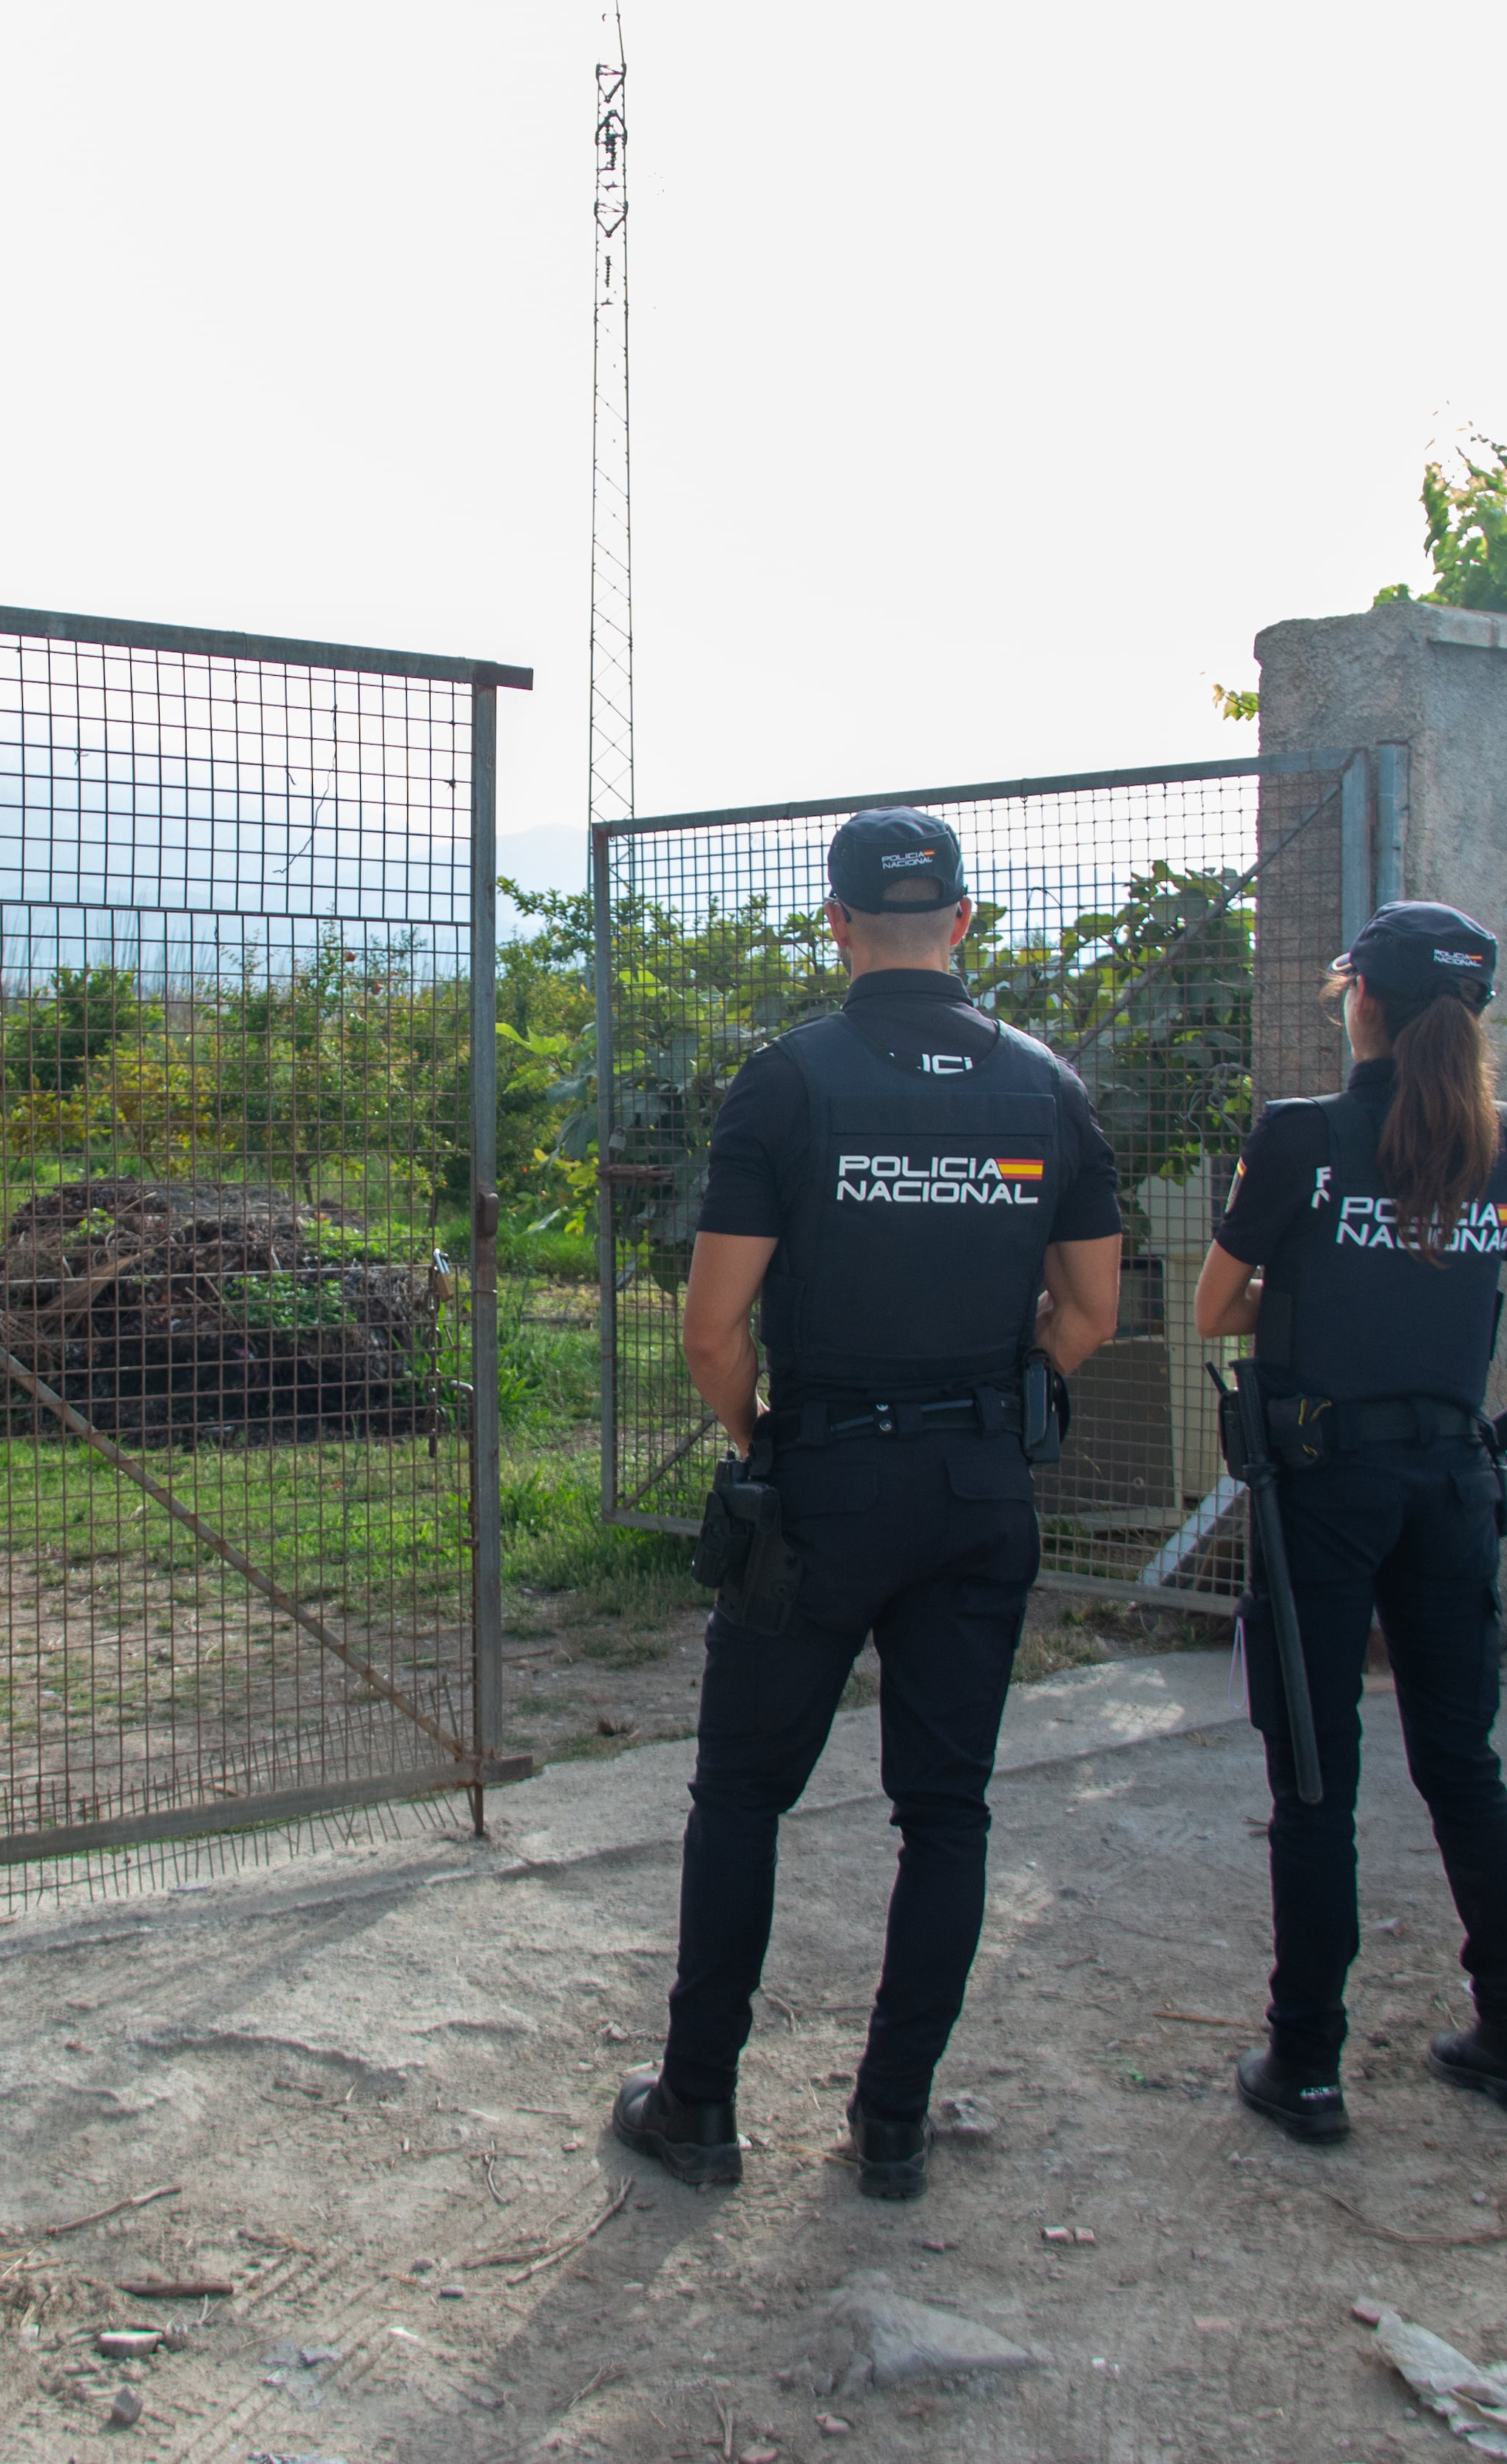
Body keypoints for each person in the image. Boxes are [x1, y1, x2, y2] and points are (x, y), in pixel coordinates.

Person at [610, 807, 1124, 2202]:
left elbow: (715, 1329)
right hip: (977, 1487)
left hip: (825, 1483)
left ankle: (700, 2108)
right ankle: (893, 2121)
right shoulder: (1047, 1089)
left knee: (741, 1796)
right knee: (945, 1813)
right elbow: (1092, 1309)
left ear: (835, 926)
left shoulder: (787, 1087)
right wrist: (999, 1392)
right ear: (964, 921)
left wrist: (762, 1433)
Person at [1189, 898, 1507, 2143]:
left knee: (1316, 1780)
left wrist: (1314, 1286)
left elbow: (1213, 1309)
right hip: (1455, 1486)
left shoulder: (1302, 1135)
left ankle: (1307, 2064)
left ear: (1368, 1004)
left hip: (1328, 1489)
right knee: (1464, 1765)